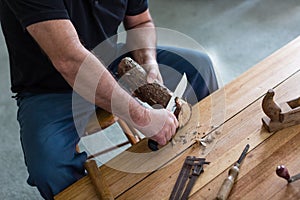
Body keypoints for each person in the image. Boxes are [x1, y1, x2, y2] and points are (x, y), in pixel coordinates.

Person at [0, 0, 218, 199]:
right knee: (48, 167)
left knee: (199, 65)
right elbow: (69, 59)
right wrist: (141, 117)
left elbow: (141, 21)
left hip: (111, 62)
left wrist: (148, 60)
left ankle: (200, 152)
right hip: (50, 89)